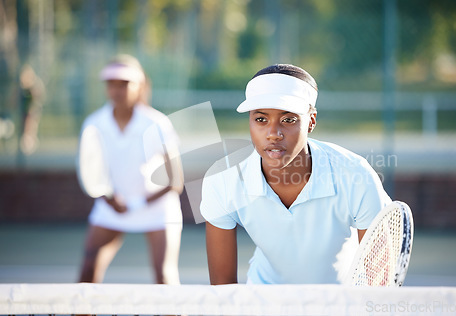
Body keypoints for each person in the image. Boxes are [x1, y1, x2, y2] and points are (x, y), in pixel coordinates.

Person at [200, 64, 391, 285]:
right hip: (263, 303)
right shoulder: (222, 178)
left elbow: (379, 285)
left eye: (288, 119)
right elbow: (222, 287)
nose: (273, 134)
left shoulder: (356, 174)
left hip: (339, 304)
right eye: (261, 119)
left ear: (311, 121)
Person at [77, 54, 184, 284]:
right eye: (111, 84)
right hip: (110, 209)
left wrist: (137, 204)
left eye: (124, 83)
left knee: (164, 278)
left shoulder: (157, 123)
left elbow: (176, 181)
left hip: (157, 210)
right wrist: (108, 198)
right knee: (87, 273)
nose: (117, 90)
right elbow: (91, 172)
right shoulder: (93, 124)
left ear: (140, 86)